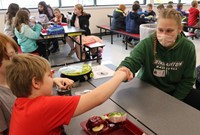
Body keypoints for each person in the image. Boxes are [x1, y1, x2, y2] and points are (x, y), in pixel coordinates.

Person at [6, 54, 128, 135]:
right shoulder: (44, 107)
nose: (53, 77)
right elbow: (97, 97)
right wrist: (120, 75)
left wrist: (52, 82)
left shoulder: (21, 102)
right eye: (50, 75)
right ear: (36, 82)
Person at [117, 8, 200, 110]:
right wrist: (123, 70)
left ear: (179, 29)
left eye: (169, 30)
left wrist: (175, 101)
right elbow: (132, 61)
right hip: (148, 89)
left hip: (174, 90)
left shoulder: (187, 47)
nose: (164, 35)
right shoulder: (147, 44)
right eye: (160, 30)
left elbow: (188, 79)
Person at [0, 32, 74, 135]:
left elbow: (29, 87)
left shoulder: (14, 79)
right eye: (12, 56)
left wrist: (52, 81)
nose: (18, 59)